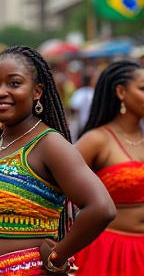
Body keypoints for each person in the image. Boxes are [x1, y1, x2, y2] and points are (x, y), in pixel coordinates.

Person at [0, 46, 116, 275]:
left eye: (14, 83)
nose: (0, 92)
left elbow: (101, 208)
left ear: (37, 91)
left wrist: (57, 257)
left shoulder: (49, 144)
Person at [74, 61, 144, 276]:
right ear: (121, 92)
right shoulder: (97, 140)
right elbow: (55, 189)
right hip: (111, 253)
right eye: (142, 88)